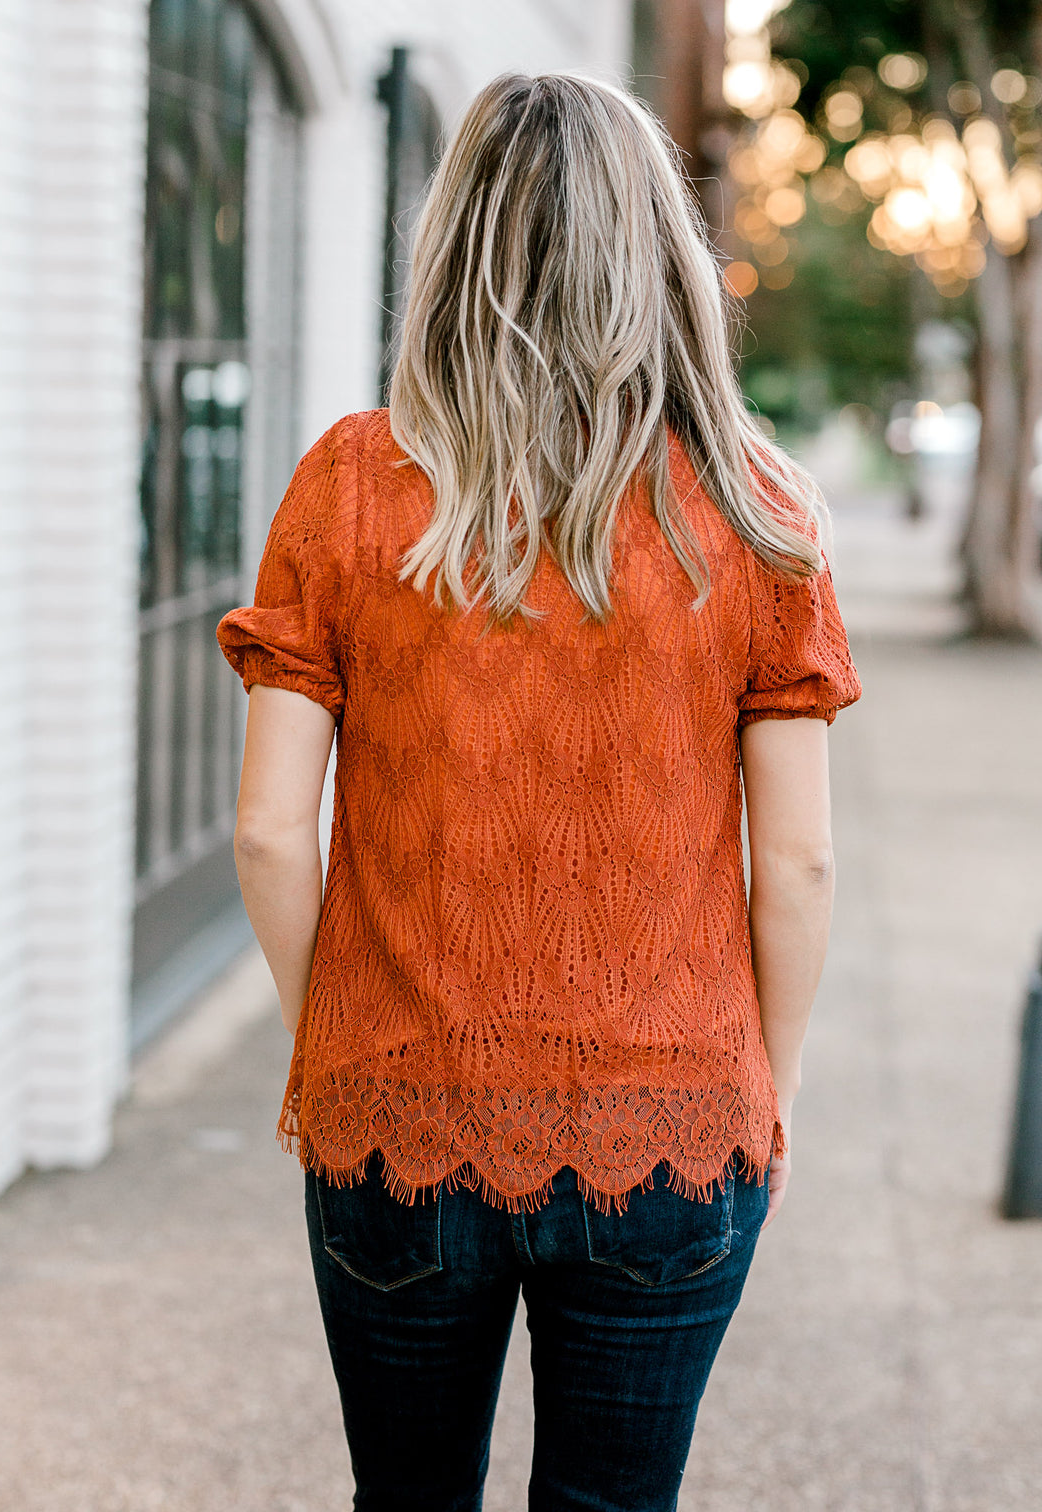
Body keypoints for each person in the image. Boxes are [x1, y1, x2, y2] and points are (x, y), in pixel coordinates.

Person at [217, 70, 861, 1512]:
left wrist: (338, 1034)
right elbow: (801, 863)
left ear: (454, 244)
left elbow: (268, 830)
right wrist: (778, 1073)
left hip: (395, 1110)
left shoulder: (355, 485)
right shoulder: (755, 509)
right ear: (659, 256)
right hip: (677, 1124)